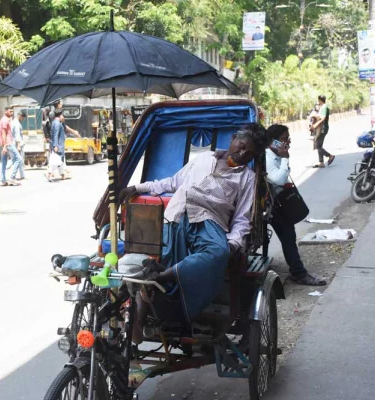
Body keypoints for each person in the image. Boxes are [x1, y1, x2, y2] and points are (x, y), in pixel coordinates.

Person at [119, 124, 269, 341]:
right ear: (234, 138)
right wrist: (138, 188)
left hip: (210, 222)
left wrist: (233, 244)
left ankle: (159, 277)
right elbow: (172, 183)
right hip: (176, 217)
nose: (242, 153)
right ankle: (139, 317)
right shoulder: (203, 159)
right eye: (242, 145)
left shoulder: (247, 178)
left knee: (219, 253)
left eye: (250, 153)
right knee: (152, 255)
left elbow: (242, 219)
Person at [266, 124, 327, 286]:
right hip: (272, 204)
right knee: (288, 236)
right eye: (285, 139)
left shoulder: (275, 153)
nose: (289, 141)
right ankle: (298, 273)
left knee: (289, 236)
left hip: (279, 200)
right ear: (274, 141)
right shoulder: (268, 156)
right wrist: (285, 158)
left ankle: (297, 271)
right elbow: (277, 179)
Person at [0, 107, 23, 186]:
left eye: (12, 111)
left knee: (4, 163)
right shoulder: (5, 120)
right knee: (19, 158)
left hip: (5, 144)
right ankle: (12, 178)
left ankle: (3, 180)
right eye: (10, 111)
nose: (12, 113)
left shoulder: (5, 120)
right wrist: (5, 146)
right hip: (8, 143)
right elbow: (3, 133)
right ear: (5, 111)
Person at [311, 95, 335, 168]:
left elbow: (323, 118)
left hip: (322, 128)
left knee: (318, 145)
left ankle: (330, 156)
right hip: (320, 128)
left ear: (320, 100)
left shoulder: (324, 107)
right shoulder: (322, 107)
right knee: (319, 145)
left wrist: (315, 125)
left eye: (318, 100)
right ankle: (321, 162)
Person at [46, 111, 67, 181]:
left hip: (57, 144)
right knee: (56, 160)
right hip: (58, 145)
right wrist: (55, 145)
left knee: (60, 160)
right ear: (60, 116)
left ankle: (63, 175)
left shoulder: (54, 122)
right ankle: (49, 173)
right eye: (63, 116)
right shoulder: (57, 124)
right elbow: (55, 135)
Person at [12, 110, 26, 180]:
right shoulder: (17, 124)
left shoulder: (13, 122)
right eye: (23, 118)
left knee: (18, 160)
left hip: (15, 144)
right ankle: (16, 175)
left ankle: (22, 175)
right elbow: (17, 135)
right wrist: (19, 145)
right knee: (19, 159)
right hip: (17, 144)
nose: (23, 120)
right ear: (20, 116)